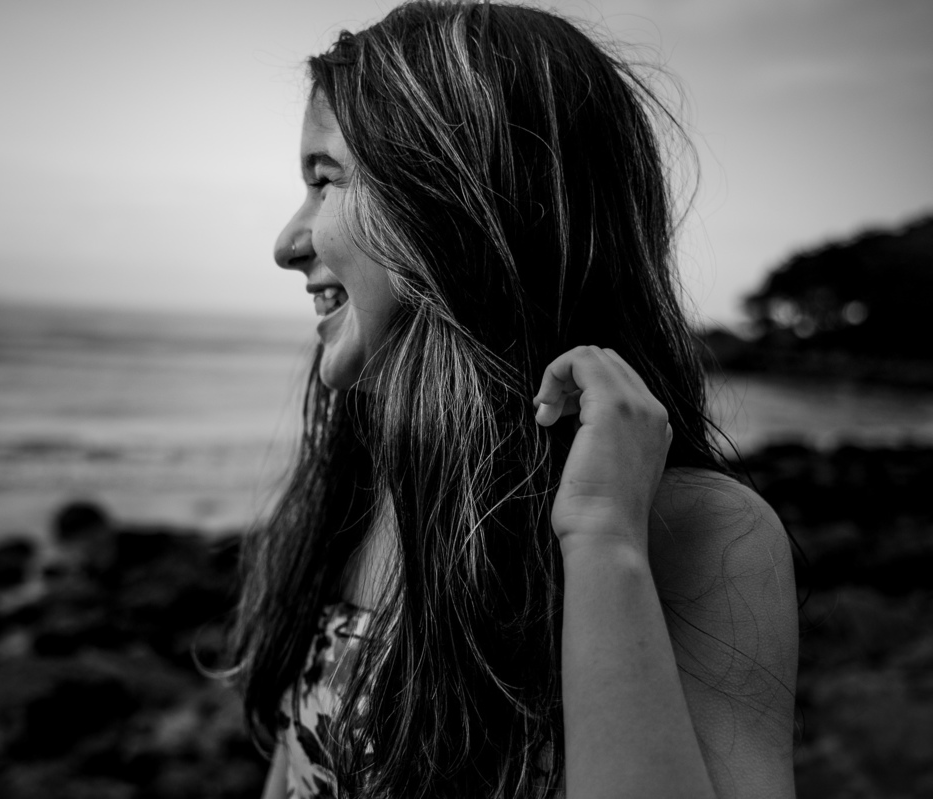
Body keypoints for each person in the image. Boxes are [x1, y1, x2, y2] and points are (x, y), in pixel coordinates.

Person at [231, 3, 798, 797]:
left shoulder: (702, 534)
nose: (288, 243)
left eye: (326, 181)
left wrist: (603, 542)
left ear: (453, 205)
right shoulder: (361, 492)